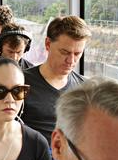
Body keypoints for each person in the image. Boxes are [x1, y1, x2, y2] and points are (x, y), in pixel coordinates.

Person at [22, 16, 91, 144]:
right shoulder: (20, 83)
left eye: (77, 54)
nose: (71, 61)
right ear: (48, 44)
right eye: (64, 52)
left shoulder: (86, 88)